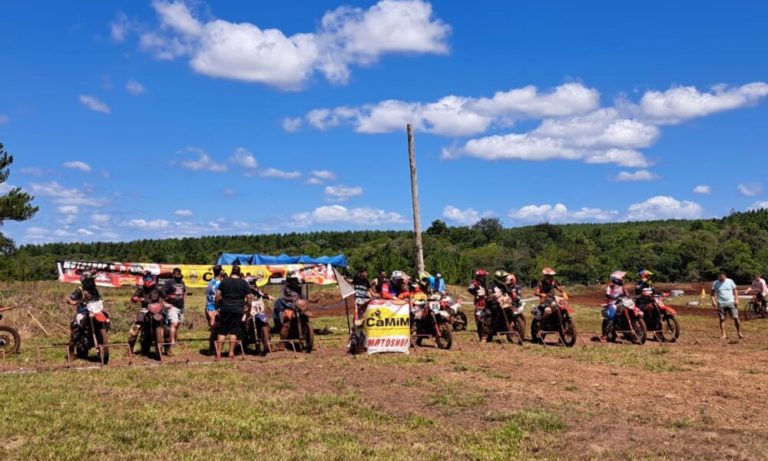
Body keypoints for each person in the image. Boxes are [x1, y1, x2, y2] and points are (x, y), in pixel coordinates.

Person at [215, 264, 252, 359]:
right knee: (234, 332)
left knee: (222, 331)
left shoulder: (224, 281)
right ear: (239, 272)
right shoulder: (244, 283)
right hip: (238, 310)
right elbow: (249, 297)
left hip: (225, 308)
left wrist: (217, 306)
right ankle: (231, 353)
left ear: (231, 271)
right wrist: (249, 307)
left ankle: (218, 353)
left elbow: (218, 295)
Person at [66, 270, 102, 353]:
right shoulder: (80, 290)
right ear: (84, 281)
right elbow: (70, 298)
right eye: (89, 281)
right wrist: (72, 301)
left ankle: (102, 334)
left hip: (96, 310)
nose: (91, 282)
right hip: (83, 311)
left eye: (92, 280)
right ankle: (71, 347)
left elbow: (99, 299)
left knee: (106, 317)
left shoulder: (95, 290)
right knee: (77, 323)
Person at [128, 271, 162, 354]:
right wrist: (135, 298)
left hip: (156, 309)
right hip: (144, 309)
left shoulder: (158, 288)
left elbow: (165, 296)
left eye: (149, 278)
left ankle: (168, 349)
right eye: (146, 278)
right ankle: (129, 349)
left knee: (166, 328)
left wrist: (168, 300)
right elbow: (134, 297)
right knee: (135, 328)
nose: (147, 280)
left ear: (153, 279)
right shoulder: (141, 288)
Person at [711, 270, 743, 340]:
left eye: (721, 277)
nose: (720, 278)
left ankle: (739, 333)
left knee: (736, 318)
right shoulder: (715, 283)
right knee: (722, 319)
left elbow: (735, 290)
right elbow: (712, 293)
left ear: (725, 276)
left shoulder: (730, 281)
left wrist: (736, 299)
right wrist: (713, 301)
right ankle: (724, 335)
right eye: (719, 277)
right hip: (721, 303)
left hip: (731, 302)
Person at [162, 267, 186, 356]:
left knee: (178, 324)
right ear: (173, 274)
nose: (178, 275)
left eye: (179, 274)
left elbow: (184, 291)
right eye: (176, 274)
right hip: (172, 306)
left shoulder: (182, 282)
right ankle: (172, 341)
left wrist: (183, 300)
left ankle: (175, 340)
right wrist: (166, 301)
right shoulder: (169, 282)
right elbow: (162, 292)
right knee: (174, 323)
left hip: (181, 306)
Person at [601, 271, 630, 340]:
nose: (623, 279)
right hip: (612, 303)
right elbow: (607, 294)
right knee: (611, 316)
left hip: (621, 303)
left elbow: (627, 294)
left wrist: (629, 297)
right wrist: (613, 297)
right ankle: (604, 334)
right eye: (622, 278)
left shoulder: (622, 286)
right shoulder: (611, 286)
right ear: (617, 278)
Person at [205, 265, 224, 354]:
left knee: (214, 329)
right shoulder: (219, 283)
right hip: (214, 307)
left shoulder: (210, 282)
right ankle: (213, 349)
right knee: (216, 329)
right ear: (220, 272)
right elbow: (218, 296)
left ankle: (211, 349)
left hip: (209, 306)